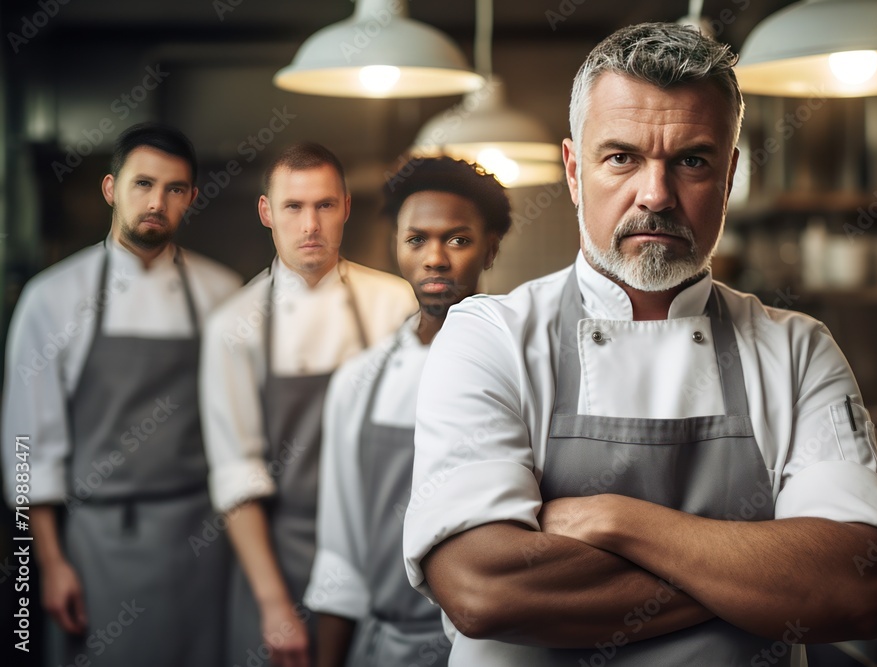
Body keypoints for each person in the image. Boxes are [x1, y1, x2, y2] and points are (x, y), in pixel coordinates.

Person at [401, 23, 877, 666]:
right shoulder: (491, 336)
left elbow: (853, 587)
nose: (656, 195)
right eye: (621, 157)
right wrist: (759, 578)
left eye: (691, 160)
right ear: (573, 169)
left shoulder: (797, 349)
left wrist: (618, 520)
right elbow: (482, 589)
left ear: (728, 176)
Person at [1, 122, 243, 666]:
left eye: (174, 189)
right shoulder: (53, 298)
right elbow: (26, 450)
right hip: (95, 547)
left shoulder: (222, 294)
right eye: (143, 184)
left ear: (191, 198)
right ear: (111, 188)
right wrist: (47, 563)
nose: (157, 202)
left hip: (201, 543)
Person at [201, 142, 415, 667]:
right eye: (293, 207)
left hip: (385, 547)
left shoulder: (397, 303)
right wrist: (274, 604)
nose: (310, 225)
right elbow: (236, 472)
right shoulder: (234, 326)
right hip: (282, 557)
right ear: (266, 212)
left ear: (345, 206)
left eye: (323, 205)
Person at [303, 157, 510, 667]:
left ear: (491, 248)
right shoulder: (359, 381)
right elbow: (340, 554)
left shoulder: (521, 369)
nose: (435, 257)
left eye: (457, 240)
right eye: (416, 239)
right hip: (386, 649)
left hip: (498, 647)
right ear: (395, 246)